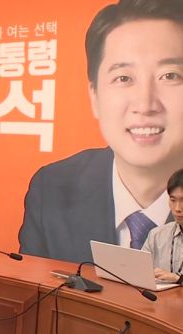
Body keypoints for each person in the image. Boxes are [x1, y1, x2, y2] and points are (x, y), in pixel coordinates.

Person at [19, 0, 183, 264]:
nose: (145, 104)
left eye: (170, 76)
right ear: (94, 96)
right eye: (123, 78)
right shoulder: (51, 187)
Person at [142, 169, 183, 283]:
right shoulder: (156, 235)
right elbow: (140, 271)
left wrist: (179, 279)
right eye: (173, 200)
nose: (177, 208)